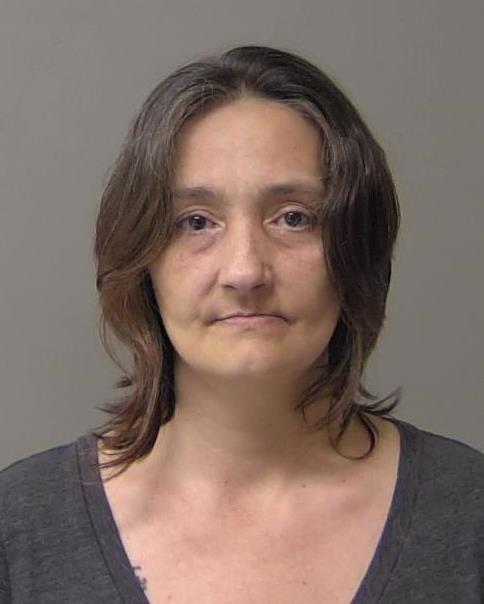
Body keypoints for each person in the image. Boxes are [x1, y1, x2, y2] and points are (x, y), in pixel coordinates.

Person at [0, 44, 483, 604]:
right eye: (196, 222)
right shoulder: (20, 528)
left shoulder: (468, 515)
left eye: (294, 218)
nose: (245, 270)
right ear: (141, 258)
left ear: (356, 249)